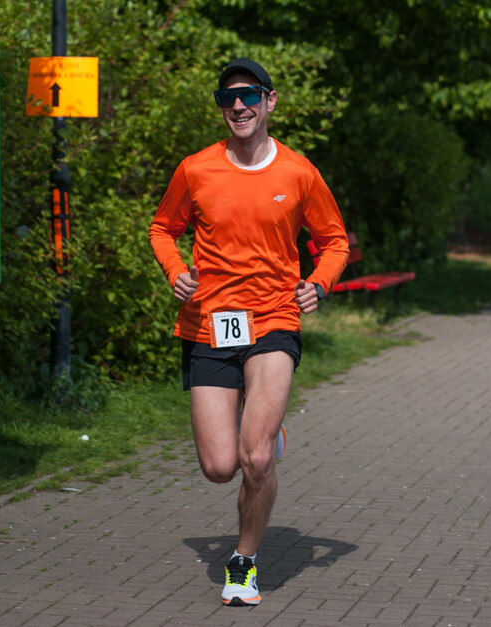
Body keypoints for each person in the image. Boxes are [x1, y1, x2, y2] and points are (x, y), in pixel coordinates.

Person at [148, 58, 349, 607]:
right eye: (227, 98)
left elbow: (335, 241)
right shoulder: (196, 169)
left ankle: (243, 562)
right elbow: (163, 228)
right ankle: (265, 431)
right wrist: (175, 270)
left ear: (270, 100)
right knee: (220, 467)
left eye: (249, 96)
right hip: (210, 323)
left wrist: (319, 283)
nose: (238, 106)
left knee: (255, 458)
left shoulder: (299, 172)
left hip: (274, 319)